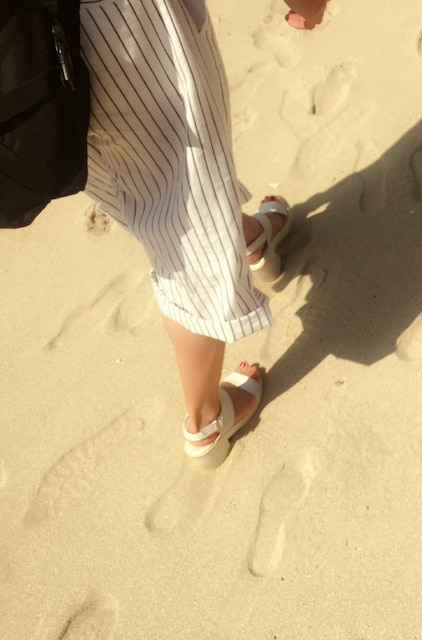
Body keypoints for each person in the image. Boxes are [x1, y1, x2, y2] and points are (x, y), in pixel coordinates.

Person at [78, 0, 327, 460]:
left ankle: (246, 236)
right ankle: (204, 420)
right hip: (123, 27)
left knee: (149, 193)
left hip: (29, 61)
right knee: (184, 231)